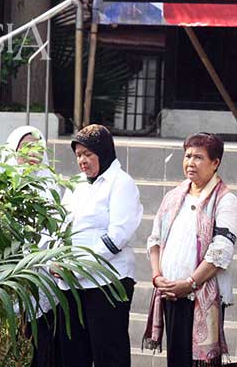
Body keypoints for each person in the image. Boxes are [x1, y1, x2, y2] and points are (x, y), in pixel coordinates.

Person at [144, 132, 237, 367]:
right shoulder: (174, 196)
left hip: (199, 295)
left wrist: (188, 284)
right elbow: (154, 240)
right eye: (187, 156)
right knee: (176, 360)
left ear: (215, 162)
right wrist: (157, 277)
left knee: (199, 362)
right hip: (169, 292)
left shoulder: (225, 200)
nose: (190, 163)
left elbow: (220, 253)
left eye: (198, 157)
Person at [56, 124, 143, 366]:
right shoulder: (77, 183)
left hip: (108, 283)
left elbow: (118, 236)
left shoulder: (121, 183)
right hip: (71, 283)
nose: (82, 161)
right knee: (74, 353)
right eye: (78, 155)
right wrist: (57, 258)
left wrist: (78, 265)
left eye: (88, 155)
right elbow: (62, 224)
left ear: (103, 153)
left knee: (108, 353)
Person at [5, 125, 59, 367]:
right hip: (9, 274)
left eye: (37, 147)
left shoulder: (51, 187)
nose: (32, 153)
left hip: (42, 276)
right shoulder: (3, 185)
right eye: (26, 147)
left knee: (41, 345)